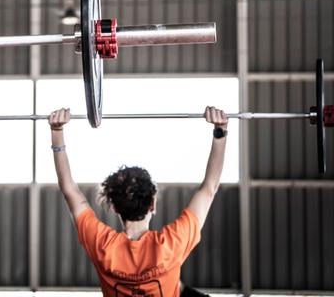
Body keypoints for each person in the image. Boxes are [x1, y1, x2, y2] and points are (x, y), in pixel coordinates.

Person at [48, 106, 228, 297]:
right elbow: (209, 188)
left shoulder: (103, 247)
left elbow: (70, 191)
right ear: (153, 204)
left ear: (115, 207)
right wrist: (220, 131)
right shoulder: (170, 245)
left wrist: (57, 132)